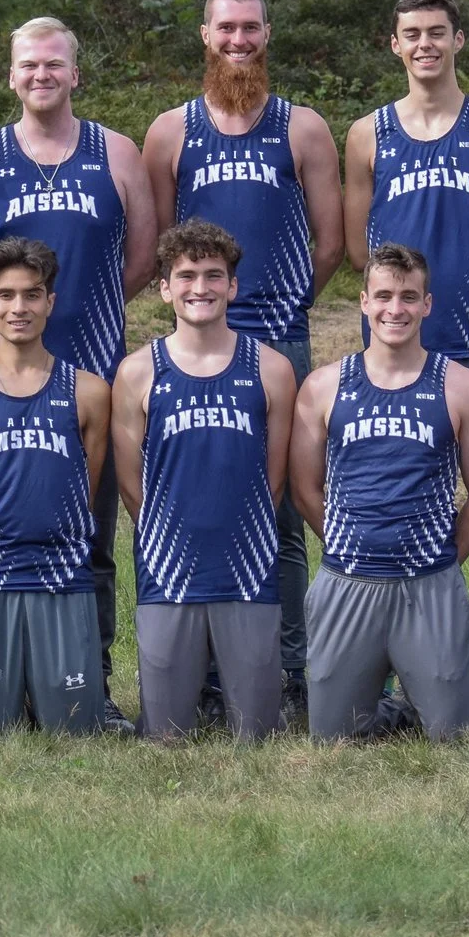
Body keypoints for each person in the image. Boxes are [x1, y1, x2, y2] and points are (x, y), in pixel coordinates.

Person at [0, 17, 154, 732]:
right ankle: (7, 681)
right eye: (28, 63)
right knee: (2, 525)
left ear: (74, 74)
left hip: (92, 373)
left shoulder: (117, 153)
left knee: (90, 536)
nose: (42, 74)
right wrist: (16, 315)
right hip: (1, 384)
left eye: (55, 64)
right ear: (10, 75)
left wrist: (84, 310)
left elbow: (142, 259)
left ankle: (87, 682)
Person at [141, 0, 342, 717]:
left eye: (250, 28)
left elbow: (333, 242)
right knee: (197, 499)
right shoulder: (170, 131)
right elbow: (164, 247)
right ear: (204, 34)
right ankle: (202, 673)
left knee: (281, 507)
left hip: (276, 339)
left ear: (268, 33)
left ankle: (285, 670)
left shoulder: (303, 128)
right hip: (192, 342)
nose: (238, 40)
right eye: (226, 28)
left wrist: (282, 304)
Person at [344, 0, 469, 721]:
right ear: (393, 45)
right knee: (391, 513)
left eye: (437, 32)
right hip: (391, 360)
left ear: (460, 40)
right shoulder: (367, 135)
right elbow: (365, 252)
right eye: (410, 34)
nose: (424, 44)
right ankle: (388, 685)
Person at [290, 243, 469, 741]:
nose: (395, 309)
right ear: (363, 301)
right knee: (334, 739)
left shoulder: (462, 387)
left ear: (427, 304)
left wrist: (442, 558)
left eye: (409, 297)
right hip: (347, 579)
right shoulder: (324, 386)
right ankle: (398, 705)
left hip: (427, 582)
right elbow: (303, 487)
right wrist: (348, 543)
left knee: (457, 739)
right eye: (383, 296)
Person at [109, 221, 299, 741]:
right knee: (165, 734)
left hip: (247, 565)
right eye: (186, 275)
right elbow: (131, 481)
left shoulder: (272, 368)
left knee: (258, 734)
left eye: (214, 275)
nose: (201, 288)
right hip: (168, 568)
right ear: (165, 287)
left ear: (233, 286)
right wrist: (165, 536)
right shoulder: (136, 371)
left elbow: (274, 478)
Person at [0, 238, 113, 735]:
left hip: (63, 577)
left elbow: (87, 487)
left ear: (50, 302)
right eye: (6, 295)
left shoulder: (90, 393)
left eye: (32, 294)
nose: (19, 307)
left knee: (75, 729)